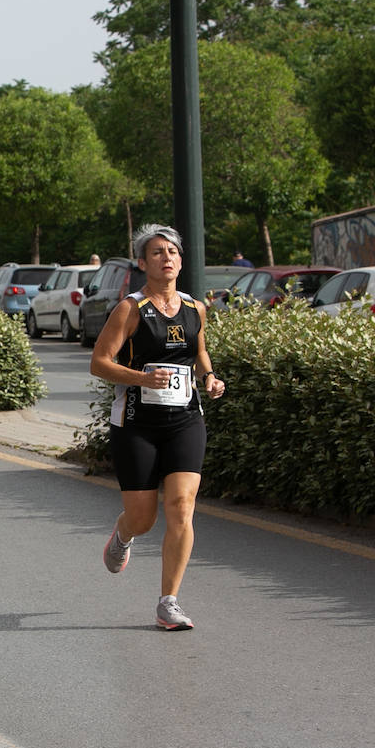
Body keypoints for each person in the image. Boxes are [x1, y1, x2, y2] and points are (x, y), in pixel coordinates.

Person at [89, 224, 226, 631]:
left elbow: (199, 352)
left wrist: (210, 378)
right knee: (144, 518)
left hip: (185, 419)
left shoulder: (195, 308)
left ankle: (169, 601)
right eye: (157, 253)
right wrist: (141, 379)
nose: (166, 258)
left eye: (172, 252)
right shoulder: (130, 310)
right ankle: (123, 534)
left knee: (182, 506)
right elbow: (100, 362)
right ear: (143, 263)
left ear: (181, 260)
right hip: (136, 424)